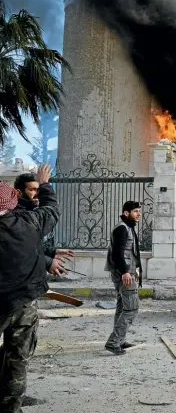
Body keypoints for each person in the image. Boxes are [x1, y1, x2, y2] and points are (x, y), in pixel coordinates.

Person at [0, 164, 60, 412]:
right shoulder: (31, 222)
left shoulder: (29, 220)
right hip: (25, 305)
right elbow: (52, 210)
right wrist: (45, 184)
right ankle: (11, 406)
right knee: (18, 359)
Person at [13, 173, 74, 277]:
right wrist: (48, 262)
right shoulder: (15, 215)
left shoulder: (28, 211)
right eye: (31, 190)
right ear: (19, 192)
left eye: (38, 190)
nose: (36, 194)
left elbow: (28, 243)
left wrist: (50, 251)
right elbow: (17, 249)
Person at [104, 201, 143, 355]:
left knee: (122, 307)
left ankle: (120, 340)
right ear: (126, 213)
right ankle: (114, 342)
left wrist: (136, 269)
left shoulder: (128, 227)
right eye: (135, 211)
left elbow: (131, 252)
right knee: (131, 308)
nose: (138, 214)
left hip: (127, 272)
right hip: (123, 274)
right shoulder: (122, 228)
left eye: (139, 211)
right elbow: (118, 253)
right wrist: (125, 272)